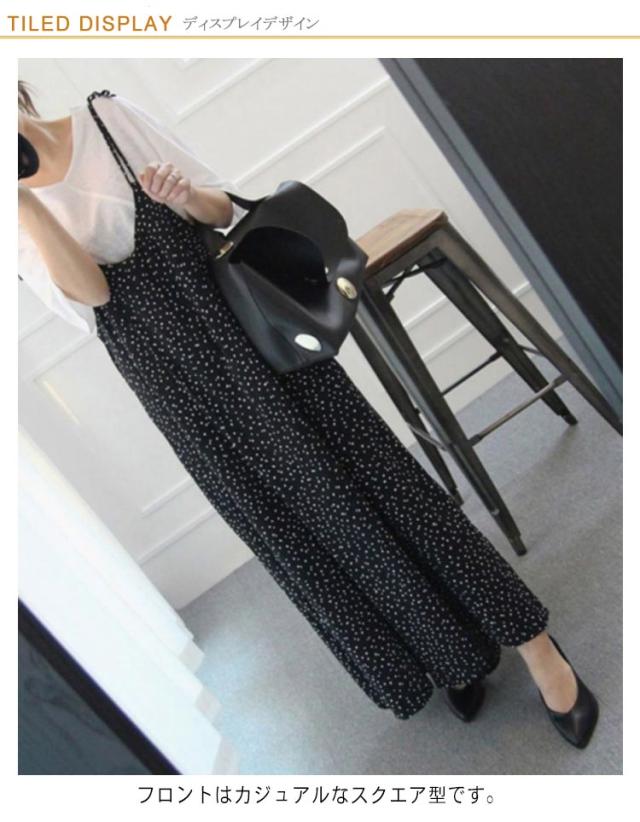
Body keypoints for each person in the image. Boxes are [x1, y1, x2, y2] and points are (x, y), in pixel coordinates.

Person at [17, 80, 599, 750]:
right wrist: (23, 200)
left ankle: (534, 643)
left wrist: (182, 197)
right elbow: (92, 293)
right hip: (183, 392)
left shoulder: (106, 117)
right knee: (310, 531)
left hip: (253, 340)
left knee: (386, 484)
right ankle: (451, 652)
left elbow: (220, 208)